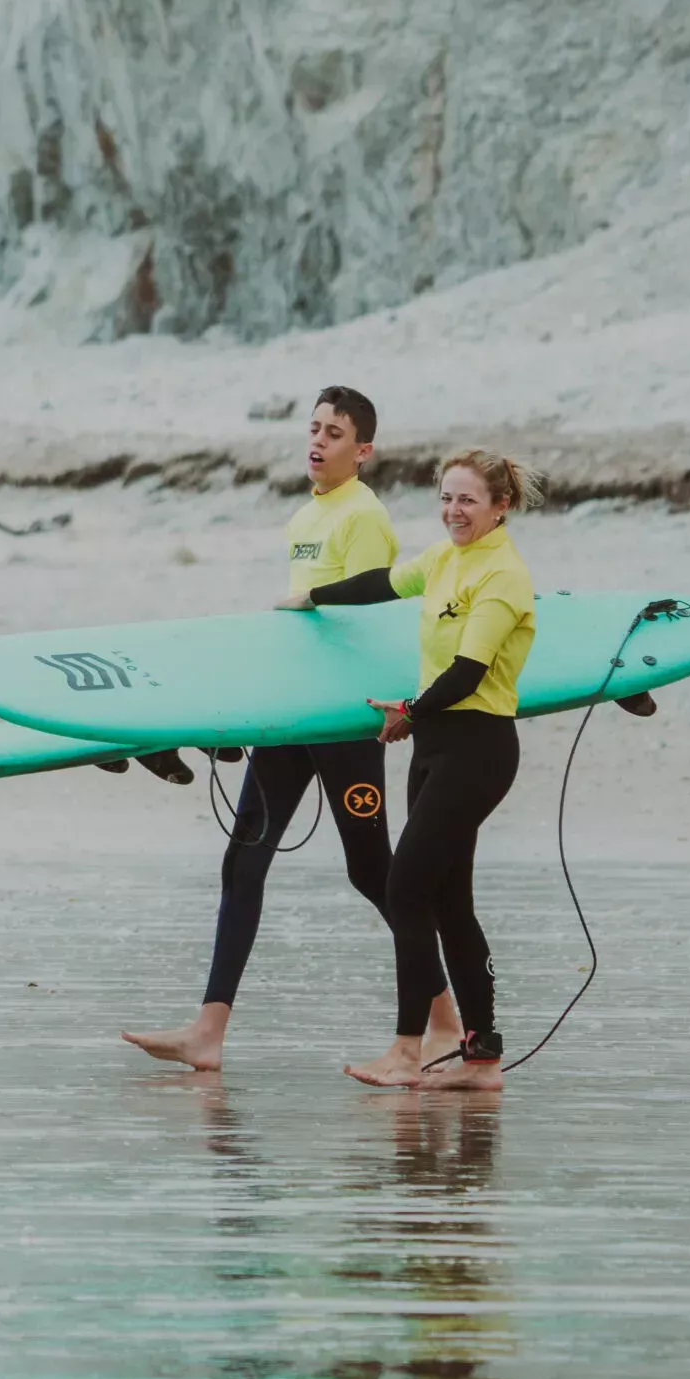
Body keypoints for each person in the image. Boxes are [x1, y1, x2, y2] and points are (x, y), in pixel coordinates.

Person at [126, 387, 462, 1072]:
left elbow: (372, 613)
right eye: (313, 428)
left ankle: (447, 1020)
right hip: (292, 713)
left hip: (340, 721)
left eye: (334, 433)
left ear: (362, 449)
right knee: (242, 857)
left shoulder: (364, 515)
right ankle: (207, 1033)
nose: (317, 441)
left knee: (373, 871)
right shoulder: (307, 514)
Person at [287, 447, 543, 1091]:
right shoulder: (444, 559)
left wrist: (408, 710)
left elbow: (469, 671)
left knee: (404, 888)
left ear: (500, 506)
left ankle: (407, 1050)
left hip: (477, 747)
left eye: (468, 501)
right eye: (446, 499)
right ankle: (482, 1059)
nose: (454, 512)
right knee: (449, 900)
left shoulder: (503, 575)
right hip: (435, 747)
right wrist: (311, 597)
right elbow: (382, 584)